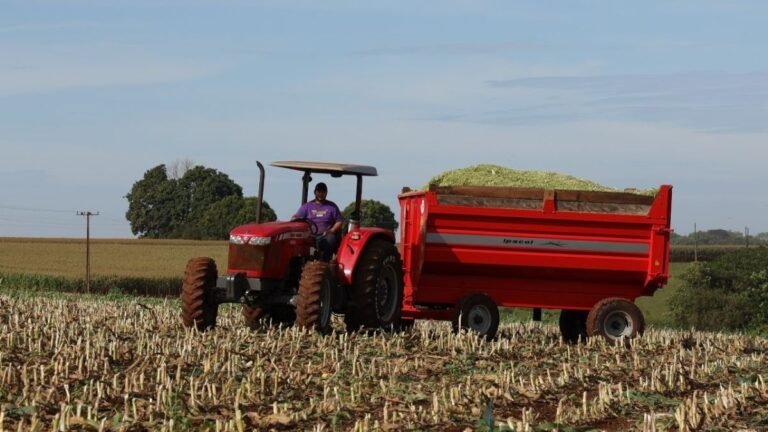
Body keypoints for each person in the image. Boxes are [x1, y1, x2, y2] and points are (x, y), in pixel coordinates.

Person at [292, 182, 343, 260]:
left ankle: (324, 263)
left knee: (330, 241)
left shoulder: (332, 206)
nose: (321, 194)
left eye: (323, 192)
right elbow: (297, 218)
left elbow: (339, 221)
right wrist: (294, 218)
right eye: (319, 191)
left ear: (326, 193)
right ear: (315, 192)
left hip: (325, 235)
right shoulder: (307, 206)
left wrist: (331, 230)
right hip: (309, 235)